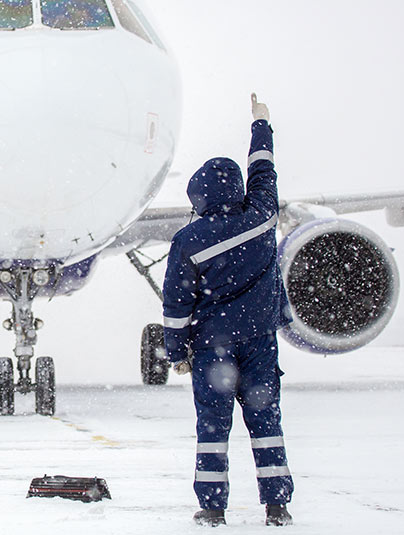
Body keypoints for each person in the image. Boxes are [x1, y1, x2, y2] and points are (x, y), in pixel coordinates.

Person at [162, 94, 294, 527]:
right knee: (266, 423)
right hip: (260, 343)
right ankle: (277, 505)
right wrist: (261, 125)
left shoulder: (189, 238)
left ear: (198, 195)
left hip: (213, 348)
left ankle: (212, 507)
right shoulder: (261, 215)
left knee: (213, 430)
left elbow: (176, 305)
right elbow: (263, 169)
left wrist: (176, 353)